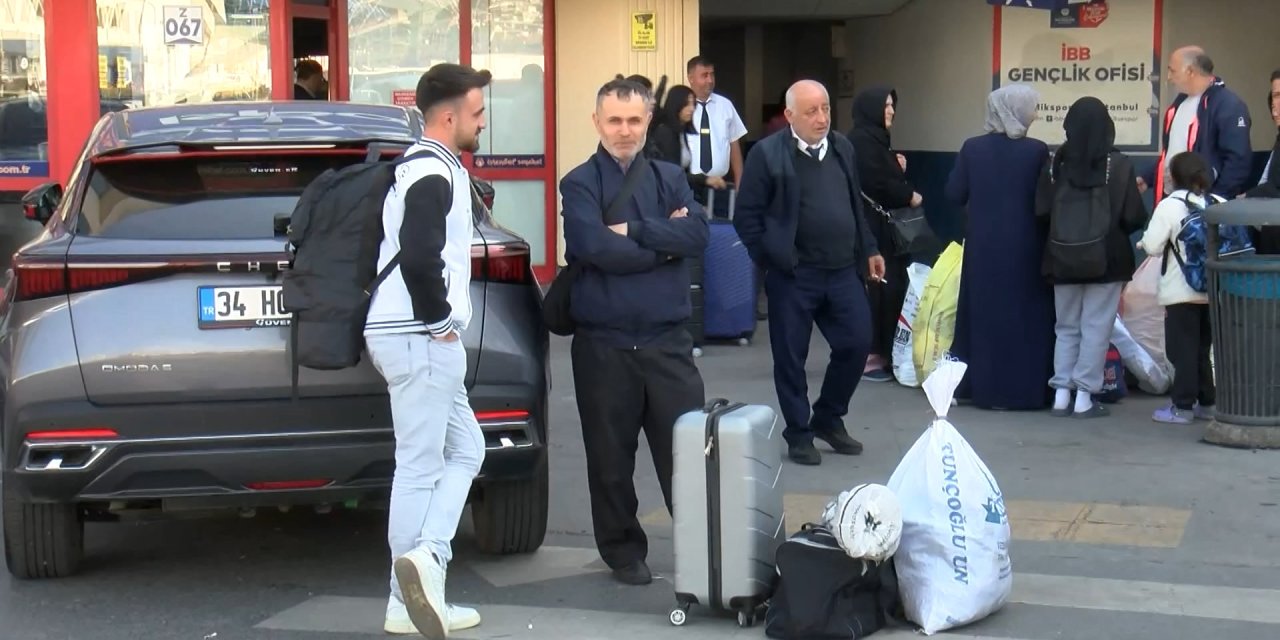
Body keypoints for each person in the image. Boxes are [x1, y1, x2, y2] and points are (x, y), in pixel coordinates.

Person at [560, 78, 709, 586]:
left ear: (647, 121)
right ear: (597, 122)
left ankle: (704, 551)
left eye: (633, 120)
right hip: (604, 345)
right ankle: (623, 552)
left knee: (686, 455)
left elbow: (698, 234)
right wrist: (665, 246)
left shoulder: (670, 176)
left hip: (668, 343)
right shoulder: (579, 183)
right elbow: (594, 248)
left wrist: (637, 231)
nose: (624, 130)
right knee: (610, 459)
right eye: (614, 120)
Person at [363, 63, 491, 639]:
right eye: (477, 113)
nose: (481, 122)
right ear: (448, 116)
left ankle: (426, 565)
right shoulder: (433, 171)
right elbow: (419, 255)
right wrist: (439, 320)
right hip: (419, 336)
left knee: (467, 449)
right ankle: (407, 594)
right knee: (419, 466)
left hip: (409, 335)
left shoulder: (427, 166)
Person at [735, 79, 884, 466]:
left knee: (856, 343)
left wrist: (869, 248)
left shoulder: (842, 147)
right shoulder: (767, 155)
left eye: (826, 109)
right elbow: (746, 218)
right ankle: (799, 433)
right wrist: (772, 258)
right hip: (794, 276)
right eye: (811, 111)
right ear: (789, 116)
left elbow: (855, 204)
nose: (822, 118)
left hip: (842, 270)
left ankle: (828, 418)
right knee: (791, 358)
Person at [1035, 97, 1147, 419]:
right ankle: (1084, 397)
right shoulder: (1119, 165)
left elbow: (1041, 211)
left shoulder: (1055, 164)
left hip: (1061, 257)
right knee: (1096, 326)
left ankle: (1061, 395)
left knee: (1066, 326)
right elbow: (1133, 216)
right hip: (1106, 259)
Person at [945, 84, 1055, 411]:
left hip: (982, 247)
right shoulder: (1036, 151)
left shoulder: (972, 148)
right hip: (1026, 246)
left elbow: (954, 193)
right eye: (1033, 107)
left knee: (981, 315)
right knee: (1024, 317)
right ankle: (1022, 391)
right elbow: (1045, 201)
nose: (1036, 114)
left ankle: (977, 387)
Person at [1136, 152, 1219, 424]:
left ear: (1174, 176)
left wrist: (1142, 243)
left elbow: (1153, 246)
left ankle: (1182, 406)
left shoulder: (1170, 205)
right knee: (1203, 349)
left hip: (1180, 291)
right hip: (1214, 290)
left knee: (1181, 351)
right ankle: (1207, 403)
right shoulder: (1218, 202)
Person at [848, 85, 922, 383]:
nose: (891, 111)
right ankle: (871, 355)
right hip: (872, 228)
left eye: (892, 105)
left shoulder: (875, 140)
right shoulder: (863, 143)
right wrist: (908, 195)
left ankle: (883, 350)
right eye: (886, 105)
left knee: (888, 287)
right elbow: (876, 182)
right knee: (879, 287)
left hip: (881, 227)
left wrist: (896, 166)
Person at [1140, 46, 1252, 201]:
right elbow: (1173, 152)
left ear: (1190, 71)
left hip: (1203, 201)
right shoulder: (1179, 102)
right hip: (1172, 198)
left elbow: (1238, 161)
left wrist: (1215, 199)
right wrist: (1147, 178)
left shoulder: (1228, 105)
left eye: (1172, 71)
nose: (1169, 77)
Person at [686, 56, 748, 193]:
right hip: (689, 186)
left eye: (712, 75)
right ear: (691, 78)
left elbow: (734, 146)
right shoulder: (684, 107)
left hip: (720, 185)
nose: (710, 80)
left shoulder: (725, 105)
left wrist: (740, 185)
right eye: (704, 75)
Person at [650, 84, 728, 193]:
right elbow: (672, 173)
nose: (692, 109)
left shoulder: (681, 132)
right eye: (686, 104)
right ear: (676, 105)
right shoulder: (665, 132)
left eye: (693, 104)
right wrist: (704, 179)